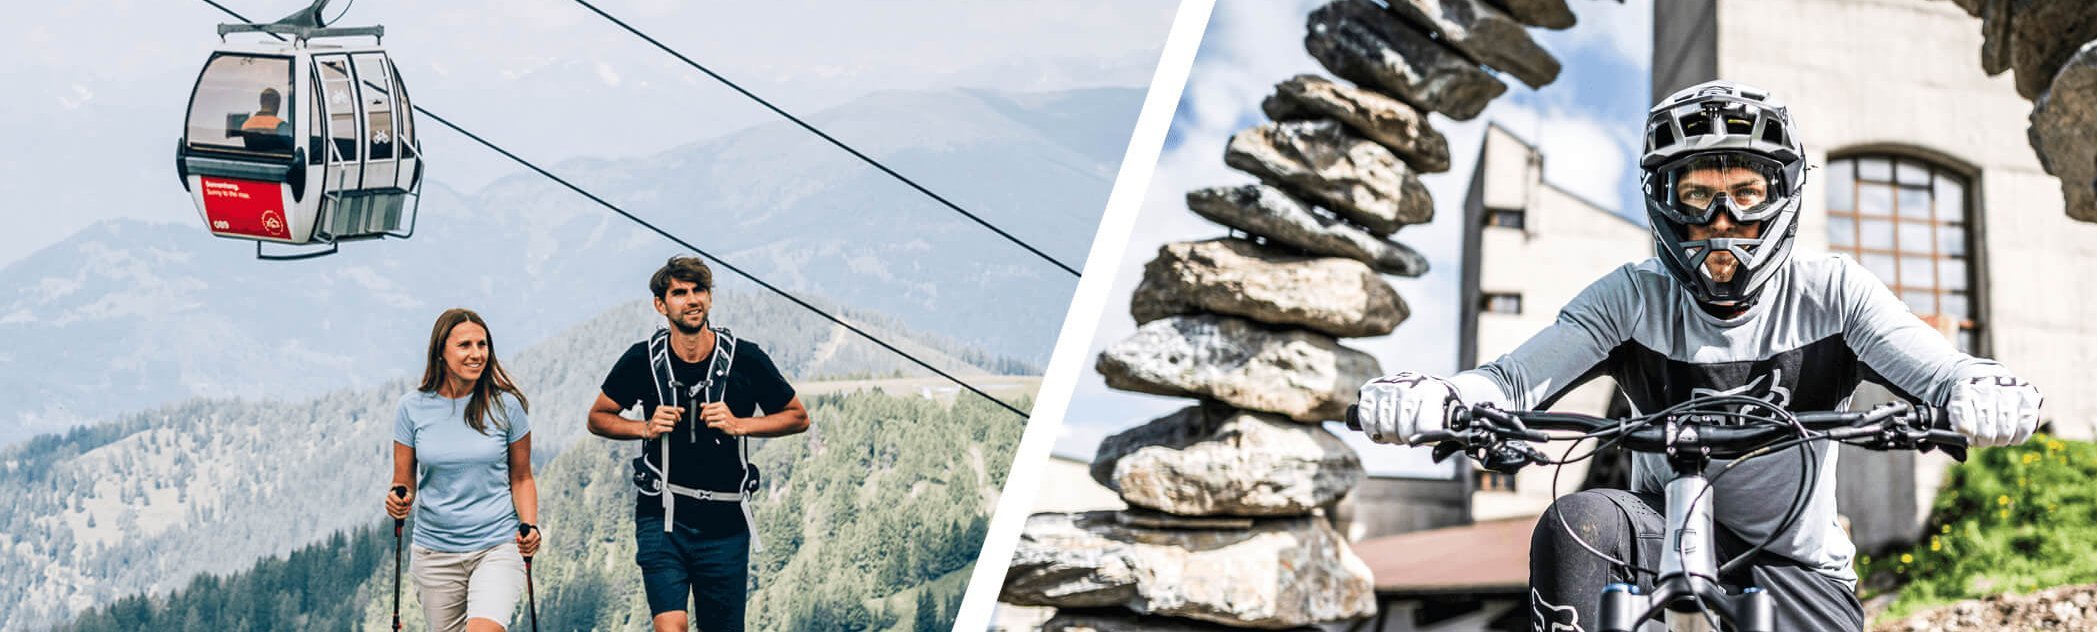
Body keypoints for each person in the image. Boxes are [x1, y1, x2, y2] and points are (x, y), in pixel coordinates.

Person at [1354, 80, 2044, 631]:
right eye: (1696, 195)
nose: (1721, 222)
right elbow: (1508, 381)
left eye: (1744, 193)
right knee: (1579, 522)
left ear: (1781, 194)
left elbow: (1941, 368)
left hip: (1795, 564)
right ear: (1664, 202)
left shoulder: (1832, 292)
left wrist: (1980, 387)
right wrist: (1444, 400)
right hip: (1655, 541)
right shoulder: (1628, 298)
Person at [587, 256, 811, 632]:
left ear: (710, 298)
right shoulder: (642, 359)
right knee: (670, 626)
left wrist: (741, 424)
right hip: (663, 515)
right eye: (679, 293)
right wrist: (643, 428)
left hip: (726, 522)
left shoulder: (746, 358)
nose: (691, 300)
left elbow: (797, 416)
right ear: (661, 305)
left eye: (699, 291)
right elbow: (598, 417)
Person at [387, 308, 541, 632]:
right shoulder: (411, 408)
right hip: (434, 552)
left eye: (482, 345)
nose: (476, 354)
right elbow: (403, 483)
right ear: (441, 352)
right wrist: (398, 500)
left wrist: (530, 525)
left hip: (497, 544)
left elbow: (522, 477)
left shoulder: (507, 407)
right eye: (465, 345)